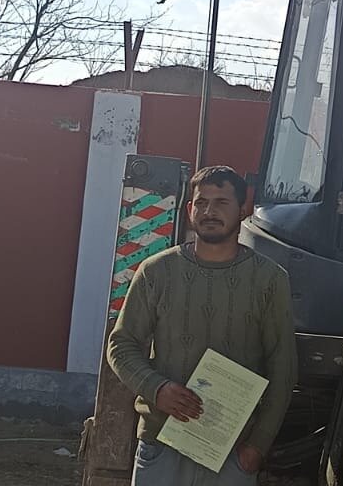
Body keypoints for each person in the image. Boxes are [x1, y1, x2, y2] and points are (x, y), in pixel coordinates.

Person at [108, 165, 297, 486]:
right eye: (202, 202)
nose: (210, 211)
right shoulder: (155, 272)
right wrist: (157, 388)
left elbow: (283, 366)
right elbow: (121, 345)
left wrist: (258, 445)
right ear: (189, 210)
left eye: (222, 202)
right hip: (161, 440)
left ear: (242, 211)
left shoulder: (270, 280)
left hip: (233, 448)